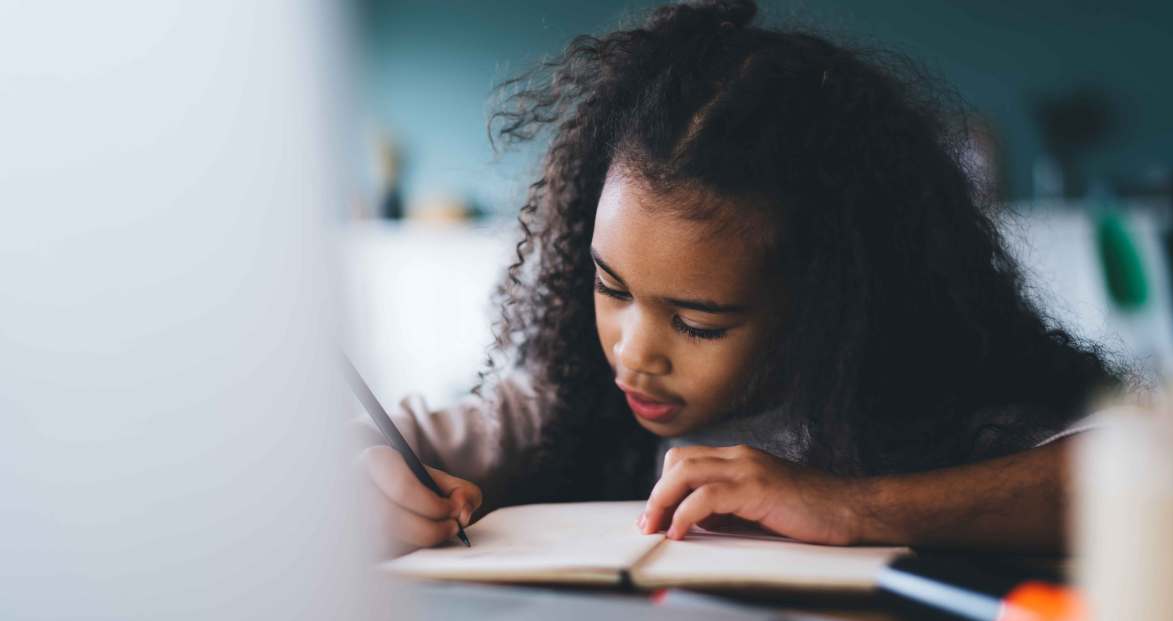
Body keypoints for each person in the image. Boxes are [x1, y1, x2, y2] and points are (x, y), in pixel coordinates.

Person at [357, 0, 1125, 556]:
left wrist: (853, 507)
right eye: (610, 287)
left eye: (698, 322)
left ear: (829, 305)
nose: (633, 353)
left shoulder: (924, 406)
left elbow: (1144, 474)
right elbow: (354, 448)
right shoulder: (563, 403)